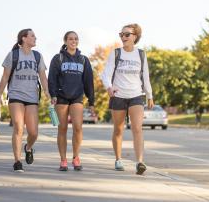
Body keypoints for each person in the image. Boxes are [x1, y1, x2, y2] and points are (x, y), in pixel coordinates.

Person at [101, 23, 153, 175]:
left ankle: (140, 162)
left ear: (135, 36)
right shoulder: (116, 53)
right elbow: (106, 74)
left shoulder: (141, 54)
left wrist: (149, 95)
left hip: (136, 95)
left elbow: (145, 76)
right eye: (121, 34)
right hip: (118, 95)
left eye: (127, 34)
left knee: (137, 128)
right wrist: (109, 87)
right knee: (118, 129)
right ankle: (118, 159)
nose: (123, 37)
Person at [0, 29, 50, 172]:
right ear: (24, 38)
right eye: (32, 36)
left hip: (32, 97)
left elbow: (43, 77)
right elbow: (5, 77)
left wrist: (47, 92)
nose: (35, 38)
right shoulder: (13, 55)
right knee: (19, 127)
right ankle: (17, 161)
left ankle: (28, 147)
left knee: (33, 133)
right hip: (16, 96)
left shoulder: (37, 56)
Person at [48, 31, 94, 171]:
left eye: (76, 39)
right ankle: (63, 160)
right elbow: (52, 78)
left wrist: (91, 101)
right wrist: (53, 94)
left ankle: (76, 157)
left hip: (77, 97)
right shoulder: (58, 58)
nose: (73, 41)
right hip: (61, 97)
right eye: (70, 39)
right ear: (65, 41)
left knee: (78, 127)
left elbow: (88, 81)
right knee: (62, 128)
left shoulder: (83, 60)